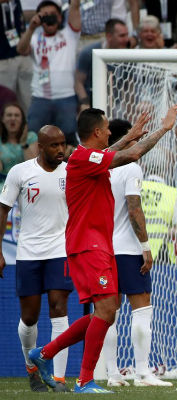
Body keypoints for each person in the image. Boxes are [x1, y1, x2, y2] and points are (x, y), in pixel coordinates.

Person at [26, 104, 177, 393]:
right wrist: (164, 129)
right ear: (97, 131)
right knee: (108, 309)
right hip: (88, 245)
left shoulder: (89, 158)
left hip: (101, 245)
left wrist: (129, 135)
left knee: (105, 311)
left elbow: (116, 152)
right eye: (107, 129)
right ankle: (84, 380)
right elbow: (131, 155)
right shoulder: (83, 158)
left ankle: (44, 353)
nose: (111, 132)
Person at [101, 119, 173, 387]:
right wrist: (146, 246)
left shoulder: (99, 168)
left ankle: (111, 374)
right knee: (142, 308)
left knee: (109, 313)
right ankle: (143, 373)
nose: (140, 145)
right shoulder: (130, 168)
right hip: (128, 249)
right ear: (127, 141)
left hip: (104, 249)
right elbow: (134, 209)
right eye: (137, 139)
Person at [0, 125, 72, 392]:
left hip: (60, 250)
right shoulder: (21, 172)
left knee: (59, 308)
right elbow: (3, 209)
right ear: (40, 147)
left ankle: (60, 379)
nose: (60, 150)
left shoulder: (70, 171)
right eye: (54, 145)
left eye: (63, 144)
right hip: (29, 252)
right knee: (29, 318)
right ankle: (32, 369)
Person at [16, 0, 81, 146]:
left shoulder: (70, 34)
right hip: (40, 97)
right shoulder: (33, 36)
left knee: (67, 137)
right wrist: (31, 27)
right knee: (34, 137)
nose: (49, 18)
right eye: (44, 15)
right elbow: (21, 50)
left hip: (66, 96)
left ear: (60, 17)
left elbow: (75, 6)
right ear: (38, 18)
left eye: (53, 14)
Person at [1, 102, 38, 181]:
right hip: (4, 183)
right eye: (9, 115)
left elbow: (34, 167)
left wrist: (24, 144)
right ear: (3, 119)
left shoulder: (31, 137)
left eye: (16, 115)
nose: (13, 118)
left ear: (22, 120)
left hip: (27, 182)